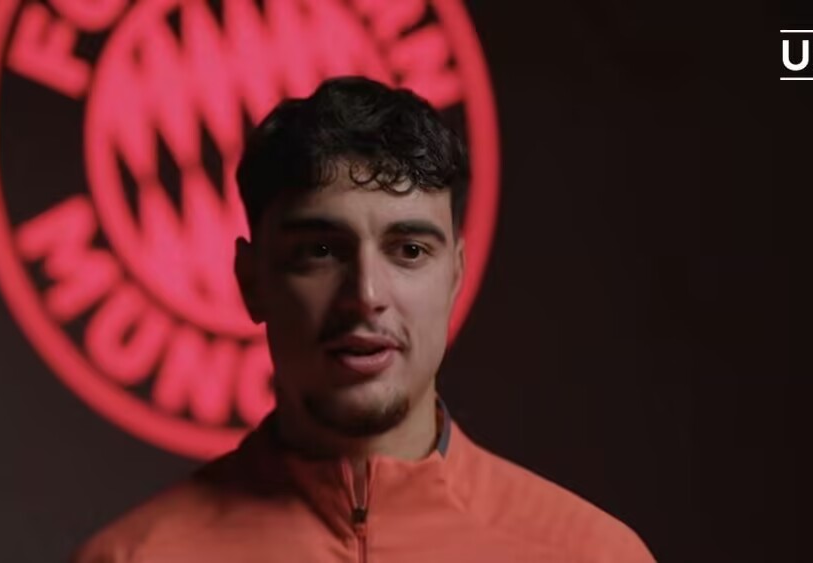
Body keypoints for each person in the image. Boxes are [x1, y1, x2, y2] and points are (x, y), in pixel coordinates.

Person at [75, 76, 654, 563]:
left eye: (409, 251)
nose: (366, 295)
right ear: (252, 281)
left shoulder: (591, 555)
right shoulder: (133, 557)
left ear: (454, 274)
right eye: (321, 251)